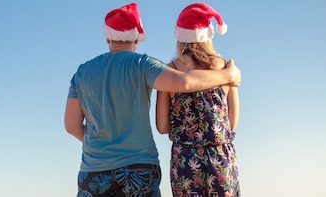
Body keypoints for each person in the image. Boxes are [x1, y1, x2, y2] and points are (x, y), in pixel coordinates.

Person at [64, 2, 241, 197]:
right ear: (137, 38)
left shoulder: (82, 72)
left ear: (107, 37)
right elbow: (183, 82)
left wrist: (97, 144)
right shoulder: (142, 64)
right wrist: (228, 75)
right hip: (140, 169)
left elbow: (71, 125)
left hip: (94, 171)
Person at [155, 2, 240, 197]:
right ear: (208, 34)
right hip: (220, 157)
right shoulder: (226, 69)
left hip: (185, 159)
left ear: (180, 36)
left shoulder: (170, 71)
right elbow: (232, 122)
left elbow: (162, 126)